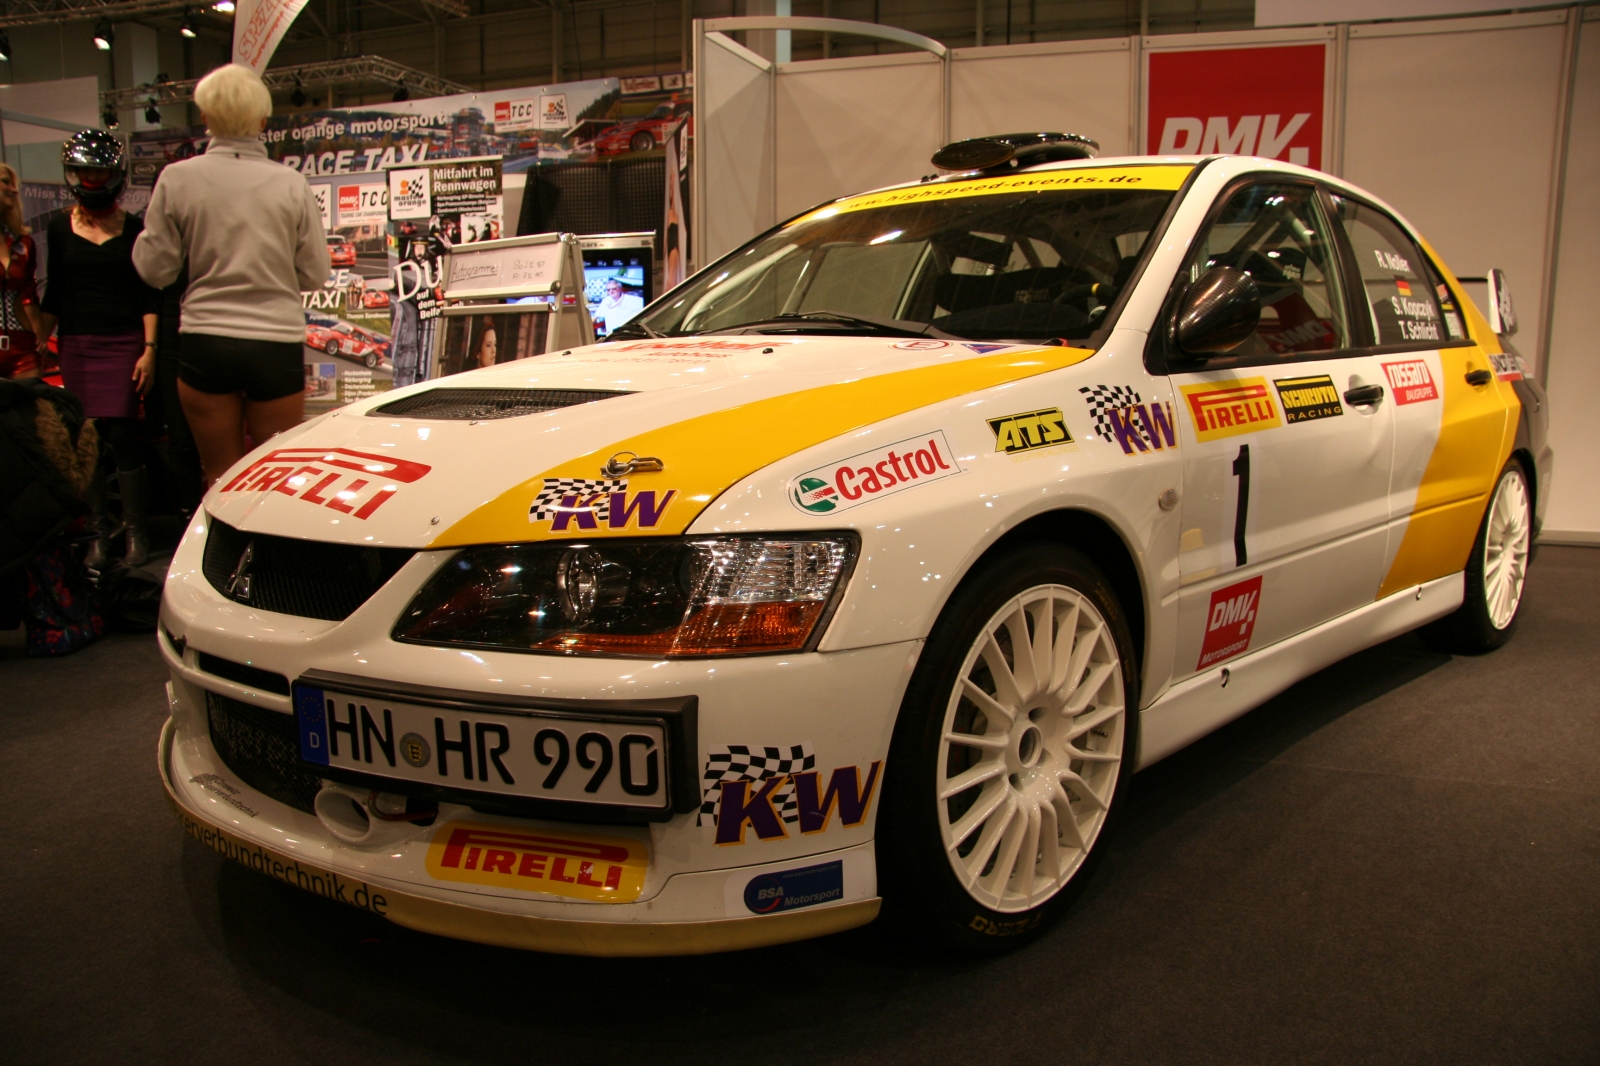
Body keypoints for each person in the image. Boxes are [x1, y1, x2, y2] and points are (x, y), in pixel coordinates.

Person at [133, 63, 330, 490]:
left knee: (219, 476)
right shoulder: (290, 183)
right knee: (275, 480)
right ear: (262, 121)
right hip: (274, 343)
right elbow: (315, 273)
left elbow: (155, 269)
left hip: (207, 340)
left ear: (205, 116)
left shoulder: (178, 178)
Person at [36, 131, 160, 567]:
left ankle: (136, 533)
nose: (91, 178)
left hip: (124, 341)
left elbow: (147, 293)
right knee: (84, 436)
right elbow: (55, 291)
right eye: (84, 171)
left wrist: (149, 348)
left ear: (114, 175)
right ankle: (98, 531)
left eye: (99, 171)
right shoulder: (58, 227)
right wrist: (37, 337)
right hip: (77, 344)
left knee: (123, 435)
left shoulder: (135, 229)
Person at [0, 162, 44, 382]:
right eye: (5, 182)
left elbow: (29, 294)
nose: (14, 190)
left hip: (23, 347)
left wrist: (41, 337)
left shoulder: (23, 242)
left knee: (31, 403)